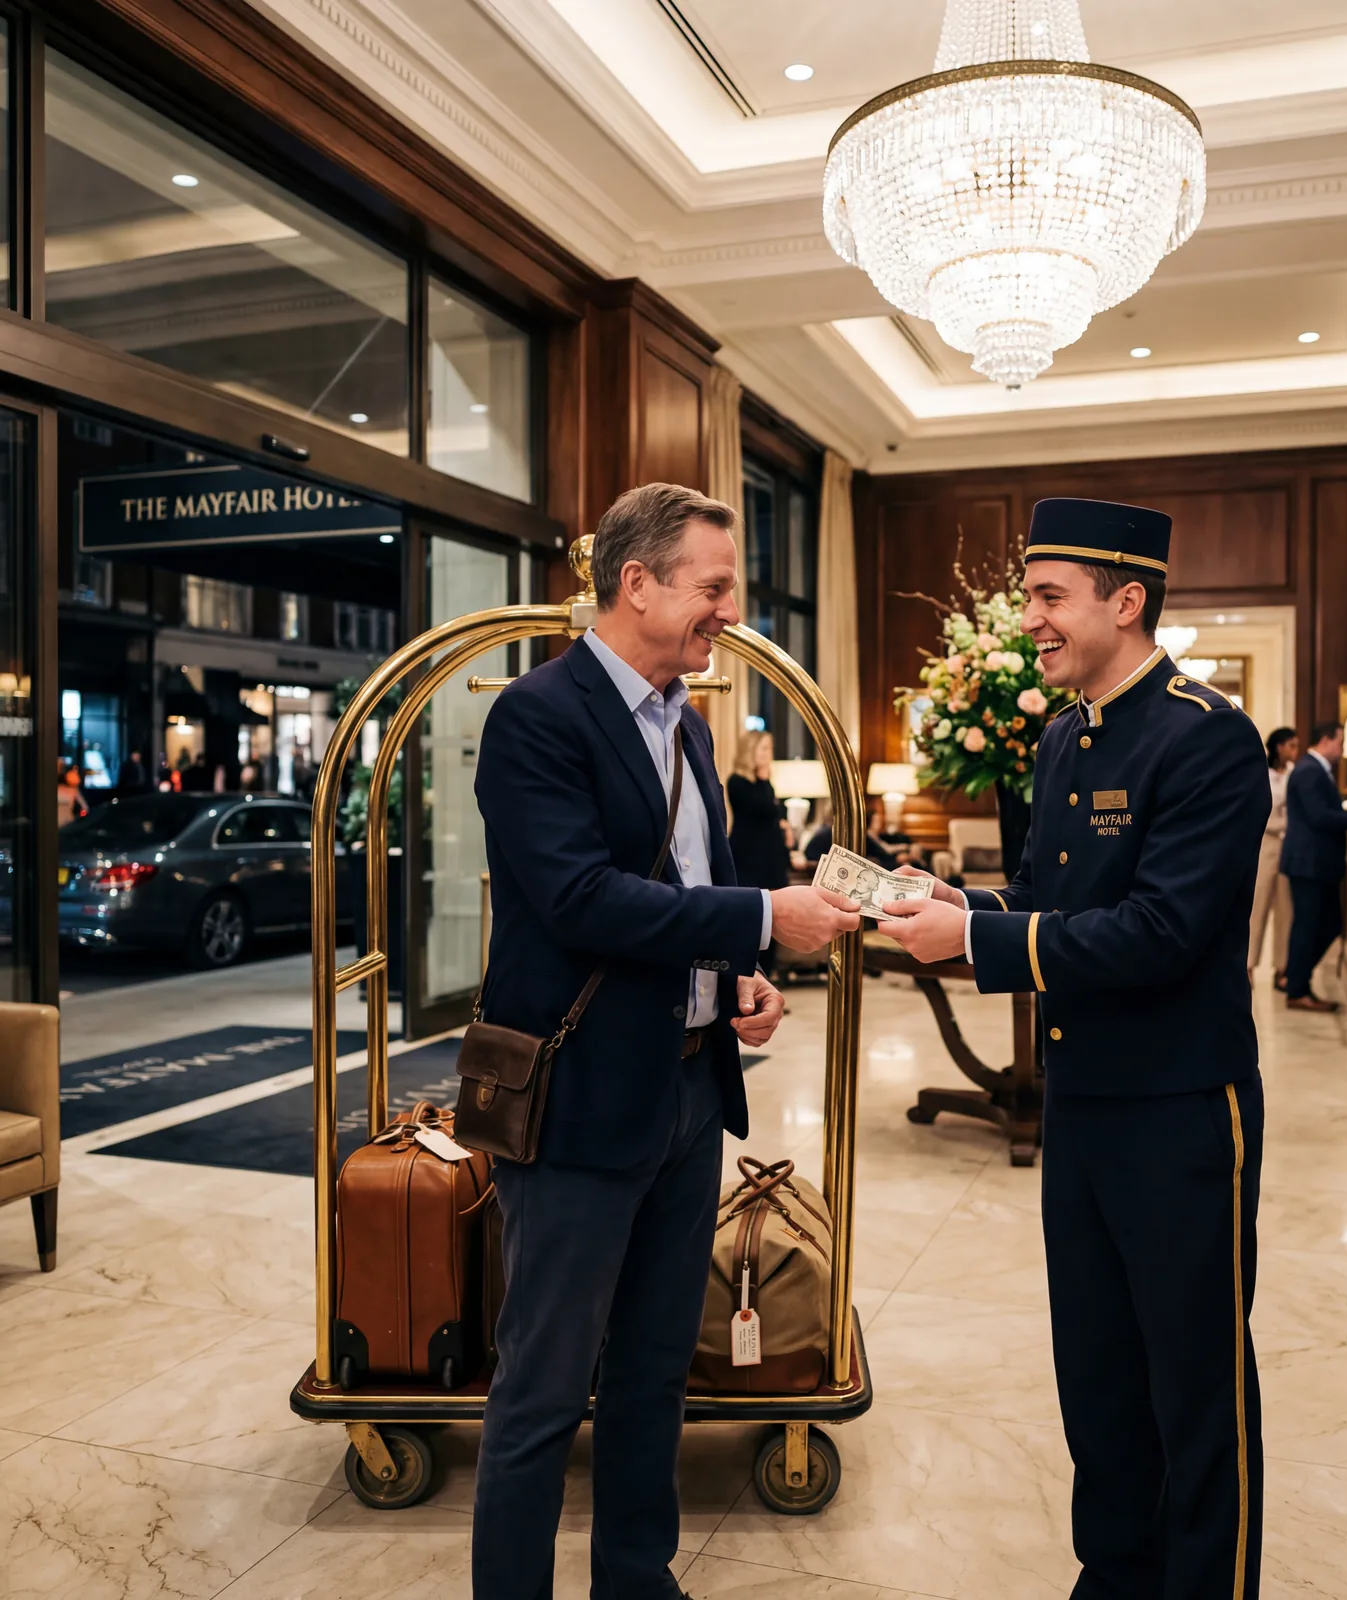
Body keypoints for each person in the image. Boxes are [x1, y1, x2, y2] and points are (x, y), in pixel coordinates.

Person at [876, 496, 1272, 1599]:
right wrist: (959, 903)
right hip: (1083, 1099)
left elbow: (1161, 929)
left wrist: (982, 937)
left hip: (1181, 1107)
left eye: (1050, 599)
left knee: (1192, 1386)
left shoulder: (1205, 735)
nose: (1031, 623)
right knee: (1096, 1372)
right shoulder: (1061, 732)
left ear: (1126, 599)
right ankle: (1115, 1575)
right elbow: (1056, 896)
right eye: (1029, 600)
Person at [470, 482, 859, 1600]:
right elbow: (579, 899)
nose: (727, 611)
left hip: (689, 1097)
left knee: (652, 1373)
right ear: (634, 582)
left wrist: (742, 972)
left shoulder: (686, 721)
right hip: (579, 1100)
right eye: (713, 587)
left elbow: (698, 885)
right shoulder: (537, 716)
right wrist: (757, 919)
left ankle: (636, 1579)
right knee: (544, 1387)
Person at [1280, 722, 1347, 1012]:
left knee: (1325, 924)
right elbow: (1319, 817)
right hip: (1309, 862)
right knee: (1310, 927)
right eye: (1340, 741)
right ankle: (1297, 987)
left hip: (1314, 862)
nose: (1343, 747)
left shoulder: (1313, 768)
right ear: (1326, 740)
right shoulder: (1310, 769)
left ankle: (1296, 978)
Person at [1248, 727, 1297, 992]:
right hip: (1266, 846)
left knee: (1286, 910)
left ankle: (1282, 967)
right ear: (1278, 746)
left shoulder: (1294, 775)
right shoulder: (1262, 774)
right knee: (1258, 908)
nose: (1294, 751)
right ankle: (1248, 966)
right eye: (1291, 745)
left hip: (1288, 846)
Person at [726, 730, 792, 890]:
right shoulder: (737, 781)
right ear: (750, 750)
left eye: (770, 748)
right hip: (749, 853)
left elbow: (776, 811)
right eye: (764, 748)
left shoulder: (765, 782)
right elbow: (763, 808)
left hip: (771, 853)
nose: (769, 753)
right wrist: (764, 777)